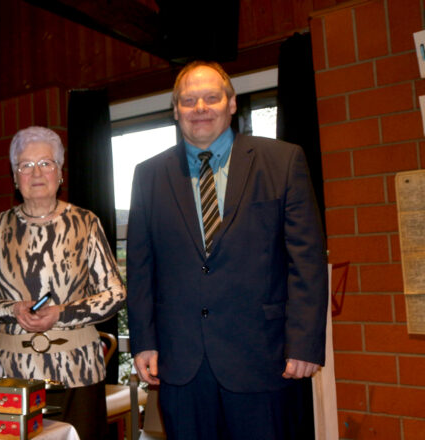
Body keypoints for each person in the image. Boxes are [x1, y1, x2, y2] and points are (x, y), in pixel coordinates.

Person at [126, 60, 328, 439]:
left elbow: (307, 261)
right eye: (189, 101)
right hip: (182, 365)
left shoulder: (282, 161)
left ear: (231, 103)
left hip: (265, 359)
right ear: (176, 110)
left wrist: (305, 343)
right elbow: (140, 269)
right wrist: (144, 342)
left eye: (211, 98)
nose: (200, 108)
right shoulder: (148, 175)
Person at [0, 125, 126, 440]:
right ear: (15, 177)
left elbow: (115, 294)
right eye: (25, 165)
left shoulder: (86, 223)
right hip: (14, 375)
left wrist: (62, 313)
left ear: (59, 173)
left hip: (78, 372)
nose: (36, 172)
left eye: (45, 163)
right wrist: (13, 310)